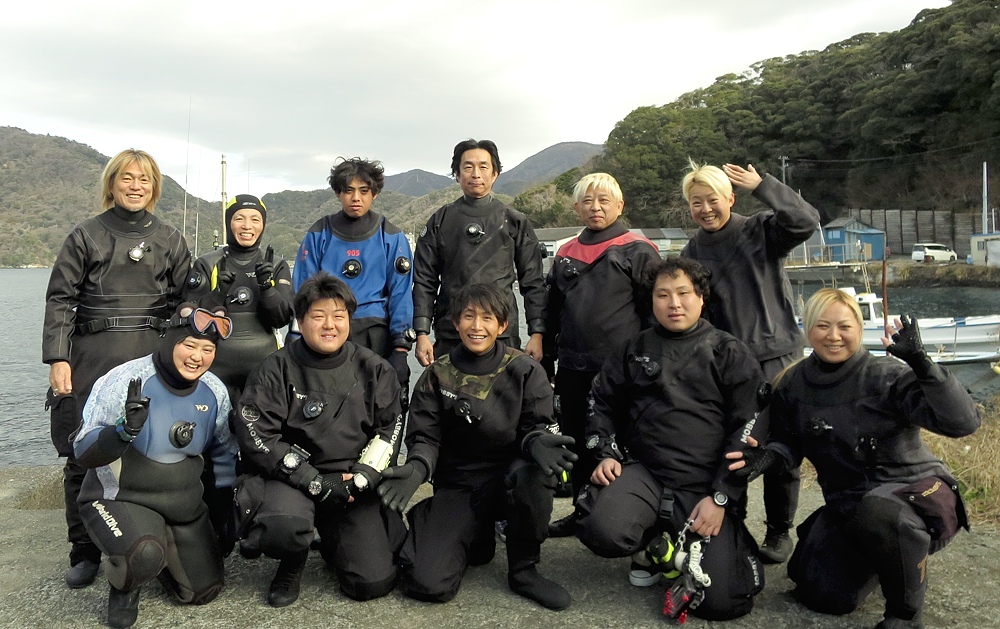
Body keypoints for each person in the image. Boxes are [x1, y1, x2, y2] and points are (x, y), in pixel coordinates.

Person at [727, 288, 981, 629]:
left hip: (918, 500)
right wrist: (767, 459)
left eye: (844, 326)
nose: (833, 336)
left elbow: (962, 423)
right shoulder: (793, 384)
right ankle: (887, 560)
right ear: (808, 330)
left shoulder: (887, 375)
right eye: (822, 326)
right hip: (850, 506)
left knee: (880, 511)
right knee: (819, 593)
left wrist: (923, 364)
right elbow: (787, 444)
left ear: (859, 329)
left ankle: (905, 615)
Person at [576, 257, 765, 621]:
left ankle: (699, 547)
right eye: (663, 295)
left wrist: (722, 496)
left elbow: (749, 429)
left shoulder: (728, 352)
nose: (673, 303)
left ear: (701, 298)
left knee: (723, 603)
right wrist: (605, 452)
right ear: (652, 301)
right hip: (645, 473)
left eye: (683, 293)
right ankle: (651, 548)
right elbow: (600, 401)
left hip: (704, 485)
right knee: (601, 529)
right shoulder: (634, 349)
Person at [43, 149, 191, 589]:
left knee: (152, 447)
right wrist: (58, 358)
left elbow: (187, 302)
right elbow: (60, 300)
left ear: (154, 187)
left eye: (144, 179)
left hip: (151, 354)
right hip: (92, 355)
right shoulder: (85, 235)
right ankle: (83, 550)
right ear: (112, 184)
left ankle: (154, 541)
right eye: (127, 177)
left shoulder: (169, 237)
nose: (135, 185)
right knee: (81, 452)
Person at [378, 283, 576, 610]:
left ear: (503, 325)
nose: (477, 326)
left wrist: (536, 442)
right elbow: (425, 436)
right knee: (428, 583)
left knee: (534, 475)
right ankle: (455, 526)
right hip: (460, 483)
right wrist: (417, 468)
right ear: (456, 323)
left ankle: (524, 568)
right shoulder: (436, 375)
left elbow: (536, 426)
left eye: (487, 318)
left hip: (511, 476)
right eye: (468, 316)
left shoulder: (525, 370)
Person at [233, 272, 405, 607]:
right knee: (284, 525)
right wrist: (311, 480)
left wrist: (362, 478)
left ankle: (333, 540)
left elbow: (390, 430)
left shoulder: (375, 369)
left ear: (349, 321)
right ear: (300, 320)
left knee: (371, 582)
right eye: (318, 316)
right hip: (291, 479)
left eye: (339, 316)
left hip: (349, 482)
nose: (330, 325)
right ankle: (292, 558)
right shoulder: (275, 369)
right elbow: (256, 433)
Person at [680, 161, 819, 564]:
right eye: (696, 203)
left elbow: (805, 220)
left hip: (776, 356)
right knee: (729, 446)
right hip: (726, 363)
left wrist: (764, 185)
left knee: (779, 447)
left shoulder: (760, 229)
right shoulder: (693, 250)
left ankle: (778, 531)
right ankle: (733, 519)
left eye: (712, 200)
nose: (705, 209)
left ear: (730, 198)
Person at [72, 302, 238, 629]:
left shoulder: (215, 390)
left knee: (204, 591)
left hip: (182, 506)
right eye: (189, 345)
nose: (197, 356)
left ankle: (163, 551)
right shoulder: (125, 381)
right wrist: (122, 431)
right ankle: (126, 584)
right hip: (121, 498)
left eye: (207, 349)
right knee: (142, 555)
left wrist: (225, 513)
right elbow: (82, 450)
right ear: (168, 339)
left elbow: (224, 455)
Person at [543, 172, 660, 537]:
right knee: (576, 439)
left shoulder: (638, 250)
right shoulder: (565, 252)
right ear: (576, 207)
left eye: (604, 201)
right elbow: (551, 312)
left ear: (619, 205)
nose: (595, 208)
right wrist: (546, 356)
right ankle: (582, 510)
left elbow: (654, 314)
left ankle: (627, 512)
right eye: (587, 202)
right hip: (573, 368)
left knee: (624, 442)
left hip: (622, 371)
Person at [412, 139, 546, 367]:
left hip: (501, 331)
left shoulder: (514, 221)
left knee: (503, 399)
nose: (476, 174)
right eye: (468, 167)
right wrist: (422, 332)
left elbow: (533, 282)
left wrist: (537, 332)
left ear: (495, 174)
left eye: (483, 167)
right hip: (451, 331)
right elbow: (424, 281)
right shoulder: (440, 220)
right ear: (456, 174)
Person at [292, 158, 414, 397]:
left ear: (374, 194)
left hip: (375, 332)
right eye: (348, 191)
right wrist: (296, 335)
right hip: (328, 330)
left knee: (376, 402)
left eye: (363, 191)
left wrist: (400, 348)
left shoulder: (390, 236)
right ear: (338, 193)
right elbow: (303, 290)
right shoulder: (319, 233)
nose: (356, 198)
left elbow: (401, 292)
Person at [184, 194, 294, 405]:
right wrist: (218, 294)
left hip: (263, 365)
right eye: (239, 218)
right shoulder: (208, 263)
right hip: (215, 365)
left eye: (255, 219)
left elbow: (281, 319)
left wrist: (266, 288)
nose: (247, 226)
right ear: (228, 223)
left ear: (263, 224)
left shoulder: (275, 265)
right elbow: (193, 321)